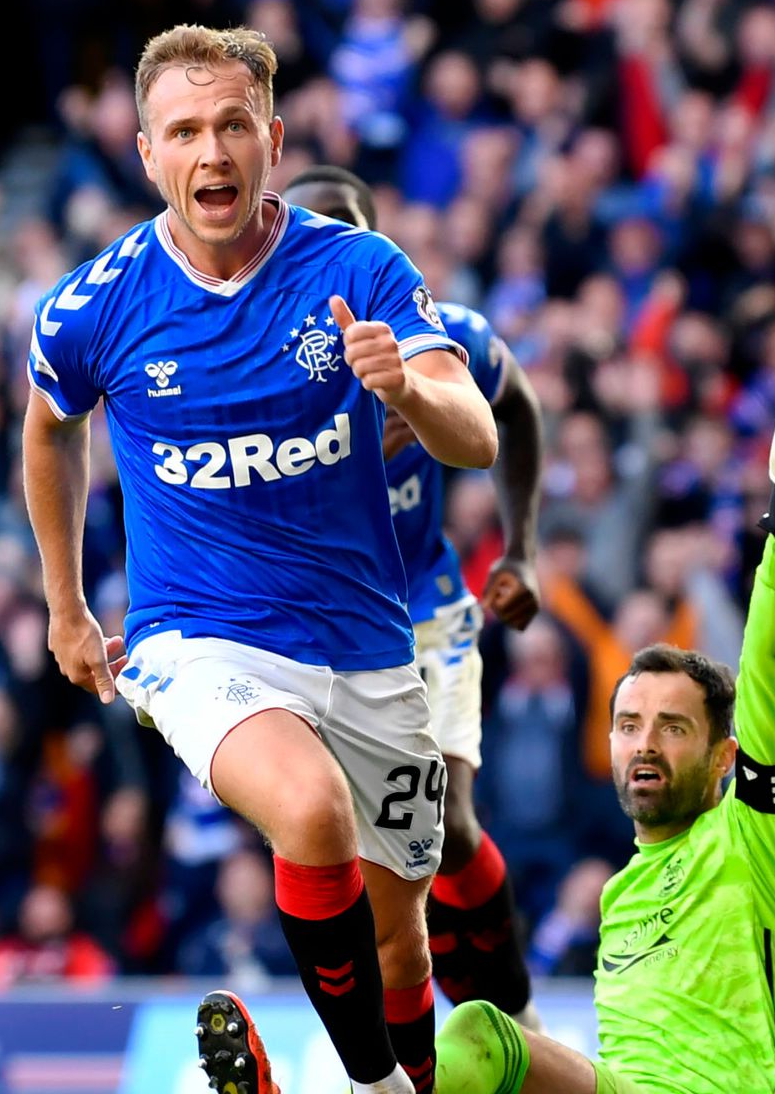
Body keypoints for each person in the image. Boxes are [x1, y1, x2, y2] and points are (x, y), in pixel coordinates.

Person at [23, 25, 498, 1094]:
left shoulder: (357, 269)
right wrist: (64, 605)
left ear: (272, 139)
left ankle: (395, 1078)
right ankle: (371, 1092)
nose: (211, 152)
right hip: (198, 641)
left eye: (232, 124)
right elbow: (47, 424)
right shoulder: (97, 304)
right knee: (310, 812)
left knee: (399, 950)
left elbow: (474, 433)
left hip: (369, 647)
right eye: (183, 131)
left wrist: (411, 392)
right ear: (147, 154)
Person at [224, 329, 775, 1093]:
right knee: (484, 1033)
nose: (643, 745)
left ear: (724, 755)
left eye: (673, 727)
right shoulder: (622, 895)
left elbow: (774, 666)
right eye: (629, 725)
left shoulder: (759, 836)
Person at [280, 165, 547, 1027]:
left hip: (426, 613)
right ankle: (414, 1060)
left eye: (349, 231)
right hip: (319, 634)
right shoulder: (261, 366)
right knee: (374, 870)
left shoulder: (437, 337)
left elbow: (519, 409)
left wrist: (526, 550)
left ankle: (516, 1022)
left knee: (450, 829)